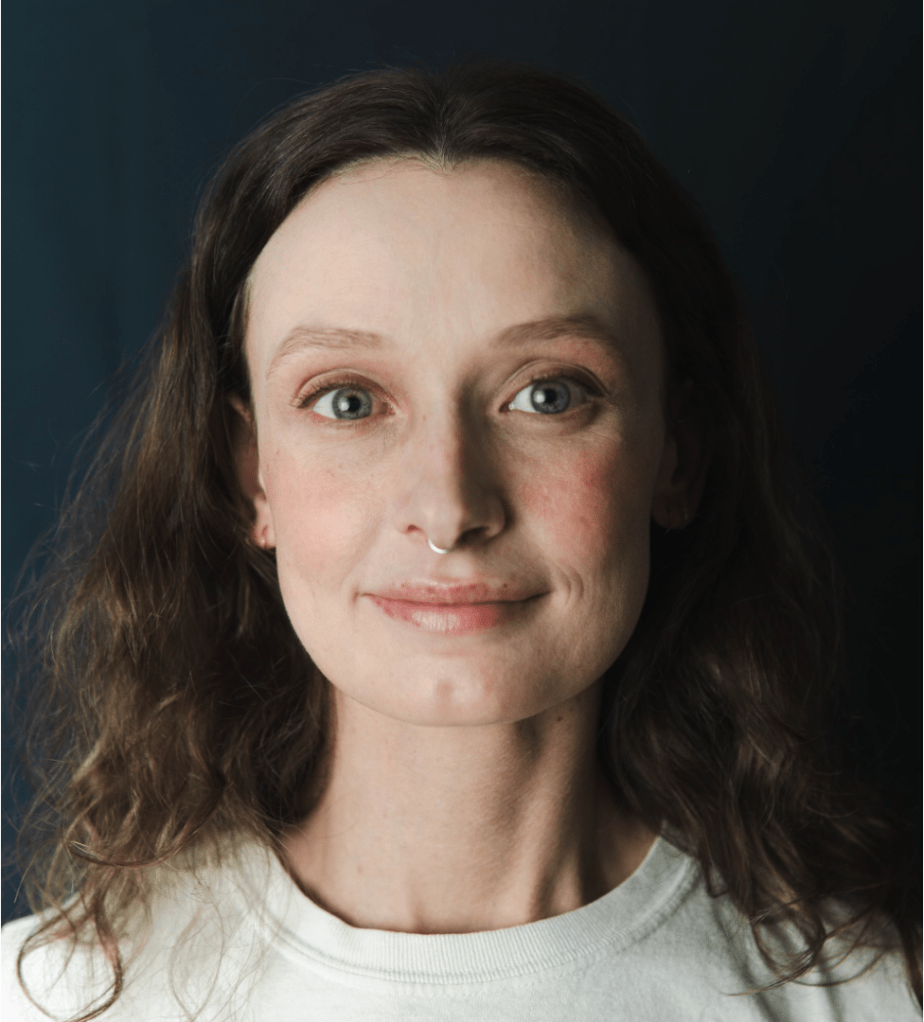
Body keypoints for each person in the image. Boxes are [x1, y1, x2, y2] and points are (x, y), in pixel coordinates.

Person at [1, 60, 919, 1021]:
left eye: (547, 394)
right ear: (251, 476)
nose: (448, 509)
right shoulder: (47, 1002)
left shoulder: (882, 1000)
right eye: (347, 401)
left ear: (677, 455)